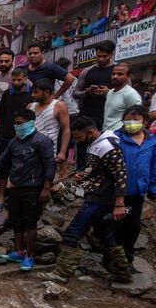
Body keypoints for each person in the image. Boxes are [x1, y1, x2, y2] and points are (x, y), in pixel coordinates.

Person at [39, 117, 132, 284]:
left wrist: (119, 203)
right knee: (104, 234)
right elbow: (98, 169)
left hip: (100, 198)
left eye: (79, 137)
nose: (77, 141)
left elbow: (121, 176)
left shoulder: (107, 146)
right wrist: (85, 176)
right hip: (97, 194)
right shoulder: (96, 144)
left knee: (73, 232)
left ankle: (62, 273)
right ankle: (123, 271)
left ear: (90, 132)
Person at [0, 109, 56, 271]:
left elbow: (50, 165)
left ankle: (29, 255)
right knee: (16, 221)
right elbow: (3, 160)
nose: (17, 126)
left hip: (33, 189)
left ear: (30, 123)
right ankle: (18, 251)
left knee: (30, 223)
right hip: (15, 187)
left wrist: (46, 188)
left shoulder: (42, 141)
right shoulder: (14, 142)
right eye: (15, 123)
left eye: (20, 123)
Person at [113, 105, 156, 269]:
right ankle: (113, 260)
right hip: (118, 192)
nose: (131, 122)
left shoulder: (152, 141)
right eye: (128, 119)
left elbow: (153, 167)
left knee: (133, 227)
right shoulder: (116, 138)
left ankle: (127, 259)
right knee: (116, 226)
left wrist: (153, 189)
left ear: (145, 122)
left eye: (135, 119)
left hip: (138, 192)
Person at [0, 67, 33, 214]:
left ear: (25, 78)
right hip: (7, 136)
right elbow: (2, 115)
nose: (16, 82)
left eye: (19, 80)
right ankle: (1, 197)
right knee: (4, 169)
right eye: (14, 80)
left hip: (25, 137)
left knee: (22, 169)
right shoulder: (6, 94)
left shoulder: (30, 94)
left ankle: (15, 200)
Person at [28, 79, 71, 177]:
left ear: (47, 92)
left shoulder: (58, 106)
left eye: (36, 92)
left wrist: (62, 152)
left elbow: (66, 130)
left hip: (50, 151)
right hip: (30, 150)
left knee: (47, 180)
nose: (32, 95)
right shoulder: (30, 106)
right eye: (32, 92)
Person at [73, 40, 115, 131]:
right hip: (87, 117)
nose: (101, 59)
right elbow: (75, 93)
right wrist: (86, 93)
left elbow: (126, 92)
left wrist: (109, 92)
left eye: (104, 56)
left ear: (111, 54)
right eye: (98, 56)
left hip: (110, 118)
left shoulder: (118, 72)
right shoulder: (87, 71)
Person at [103, 63, 142, 131]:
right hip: (107, 133)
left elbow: (137, 119)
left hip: (120, 135)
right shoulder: (110, 93)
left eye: (120, 74)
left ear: (128, 76)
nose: (115, 76)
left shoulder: (131, 94)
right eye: (113, 73)